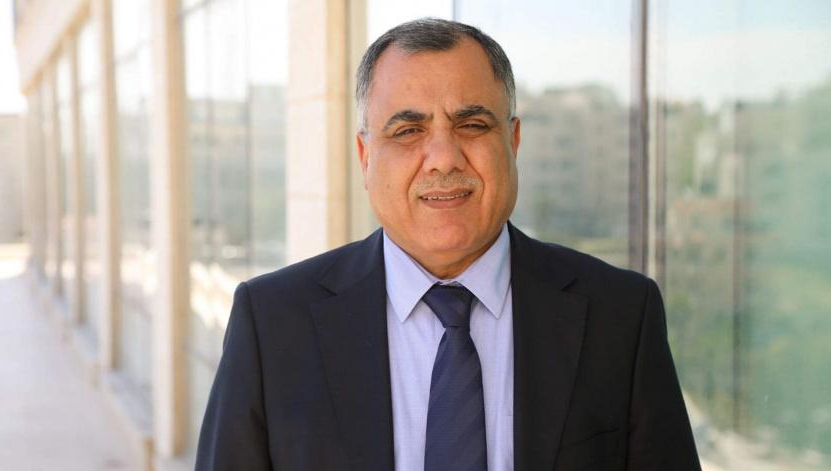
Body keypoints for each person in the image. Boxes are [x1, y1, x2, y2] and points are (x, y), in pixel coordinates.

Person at [195, 18, 700, 471]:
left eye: (472, 125)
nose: (443, 157)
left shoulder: (621, 315)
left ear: (513, 141)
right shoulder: (271, 323)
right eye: (408, 130)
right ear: (365, 156)